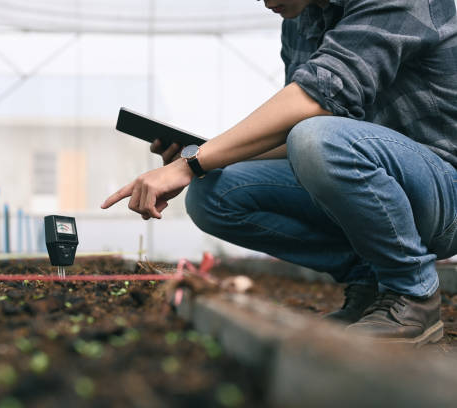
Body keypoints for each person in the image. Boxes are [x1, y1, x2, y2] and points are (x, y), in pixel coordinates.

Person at [101, 0, 457, 347]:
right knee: (212, 195)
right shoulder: (299, 20)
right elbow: (293, 134)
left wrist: (192, 162)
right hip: (368, 177)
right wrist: (199, 160)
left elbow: (316, 104)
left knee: (316, 137)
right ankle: (371, 283)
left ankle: (413, 292)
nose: (263, 1)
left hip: (444, 193)